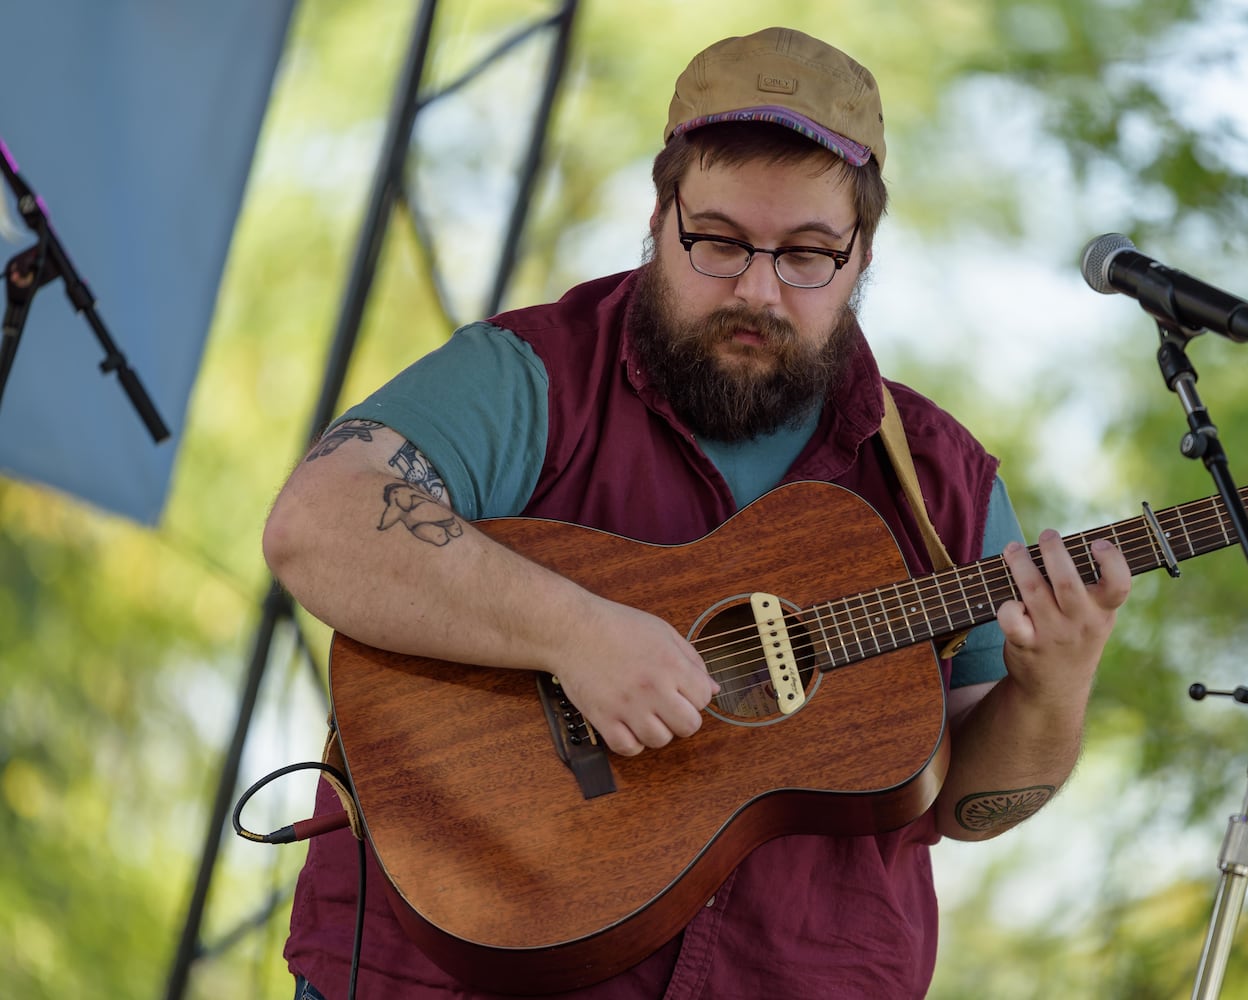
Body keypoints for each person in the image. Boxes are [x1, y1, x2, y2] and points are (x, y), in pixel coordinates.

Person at [263, 25, 1130, 1000]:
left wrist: (1055, 685)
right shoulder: (533, 377)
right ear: (658, 213)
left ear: (864, 252)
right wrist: (576, 633)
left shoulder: (945, 480)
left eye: (807, 254)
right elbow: (317, 526)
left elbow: (970, 806)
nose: (756, 288)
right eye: (717, 241)